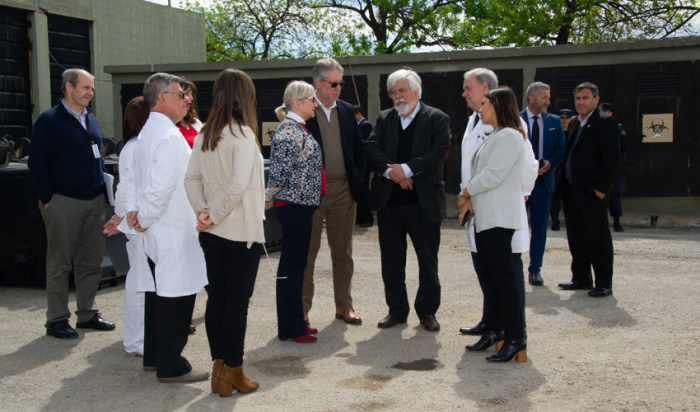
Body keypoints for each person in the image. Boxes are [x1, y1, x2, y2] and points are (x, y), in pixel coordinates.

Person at [184, 69, 264, 396]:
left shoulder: (205, 133)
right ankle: (233, 370)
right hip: (237, 232)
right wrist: (211, 214)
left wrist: (203, 213)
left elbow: (191, 180)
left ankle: (221, 369)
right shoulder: (243, 135)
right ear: (244, 97)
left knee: (217, 299)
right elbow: (237, 187)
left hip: (212, 232)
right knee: (235, 303)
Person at [125, 72, 209, 382]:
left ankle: (154, 357)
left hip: (158, 228)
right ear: (162, 98)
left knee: (160, 292)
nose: (187, 99)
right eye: (180, 94)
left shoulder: (148, 132)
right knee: (177, 295)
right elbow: (159, 188)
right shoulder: (170, 136)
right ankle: (171, 365)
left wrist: (136, 213)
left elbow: (138, 178)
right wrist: (143, 217)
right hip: (171, 228)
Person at [28, 68, 116, 339]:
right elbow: (37, 162)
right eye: (86, 88)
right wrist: (48, 200)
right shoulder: (49, 120)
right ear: (68, 87)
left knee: (91, 262)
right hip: (63, 202)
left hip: (93, 201)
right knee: (60, 262)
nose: (91, 93)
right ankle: (56, 319)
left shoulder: (90, 119)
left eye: (91, 89)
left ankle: (87, 314)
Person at [366, 69, 451, 332]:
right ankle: (397, 310)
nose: (397, 97)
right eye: (393, 92)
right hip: (390, 203)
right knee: (391, 261)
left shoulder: (437, 118)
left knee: (427, 261)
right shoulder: (384, 118)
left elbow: (440, 151)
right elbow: (371, 148)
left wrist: (408, 169)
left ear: (416, 91)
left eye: (402, 90)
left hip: (422, 203)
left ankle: (427, 311)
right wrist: (394, 173)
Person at [458, 69, 538, 341]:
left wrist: (520, 193)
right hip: (479, 209)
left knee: (508, 276)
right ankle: (491, 322)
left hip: (498, 209)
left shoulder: (511, 128)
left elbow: (528, 166)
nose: (464, 93)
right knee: (487, 273)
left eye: (468, 88)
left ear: (484, 88)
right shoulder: (474, 121)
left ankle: (513, 330)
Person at [302, 58, 366, 326]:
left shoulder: (347, 109)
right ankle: (302, 309)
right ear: (317, 83)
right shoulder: (302, 109)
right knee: (307, 253)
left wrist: (358, 182)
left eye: (341, 83)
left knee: (343, 253)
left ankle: (344, 306)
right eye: (334, 83)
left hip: (343, 192)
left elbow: (358, 148)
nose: (339, 87)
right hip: (312, 193)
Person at [265, 80, 324, 343]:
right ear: (297, 102)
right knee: (292, 264)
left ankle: (294, 322)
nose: (315, 103)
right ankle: (291, 327)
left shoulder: (297, 127)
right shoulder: (289, 130)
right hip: (294, 205)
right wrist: (268, 197)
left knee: (297, 264)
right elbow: (279, 171)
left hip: (302, 205)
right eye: (311, 98)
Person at [556, 83, 621, 297]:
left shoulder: (605, 122)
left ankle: (603, 282)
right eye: (578, 99)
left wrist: (601, 190)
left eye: (585, 98)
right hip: (572, 190)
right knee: (576, 236)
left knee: (598, 237)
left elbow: (611, 159)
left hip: (592, 191)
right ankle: (581, 278)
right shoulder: (575, 123)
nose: (581, 102)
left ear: (596, 99)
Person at [103, 96, 151, 357]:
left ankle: (139, 339)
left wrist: (118, 217)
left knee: (141, 281)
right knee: (139, 282)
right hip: (139, 223)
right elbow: (124, 189)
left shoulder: (131, 147)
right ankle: (136, 341)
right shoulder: (136, 148)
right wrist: (118, 217)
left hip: (137, 222)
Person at [520, 82, 566, 287]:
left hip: (543, 184)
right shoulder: (515, 119)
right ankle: (512, 268)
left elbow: (561, 149)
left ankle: (535, 269)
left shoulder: (554, 121)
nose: (548, 101)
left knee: (539, 228)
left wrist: (549, 163)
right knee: (516, 227)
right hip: (520, 185)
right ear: (532, 98)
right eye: (544, 98)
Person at [601, 103, 629, 232]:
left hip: (612, 166)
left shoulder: (617, 127)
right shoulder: (597, 125)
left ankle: (617, 222)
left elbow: (624, 146)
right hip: (599, 166)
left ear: (610, 113)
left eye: (605, 111)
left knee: (614, 194)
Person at [550, 108, 575, 231]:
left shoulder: (574, 132)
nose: (564, 121)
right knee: (555, 194)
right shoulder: (555, 132)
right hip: (557, 167)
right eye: (562, 118)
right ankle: (555, 220)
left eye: (567, 118)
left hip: (571, 169)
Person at [354, 105, 374, 228]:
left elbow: (360, 141)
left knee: (365, 192)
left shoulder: (366, 125)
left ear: (359, 114)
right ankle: (360, 217)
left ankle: (368, 217)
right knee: (359, 192)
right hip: (359, 164)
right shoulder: (358, 126)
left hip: (364, 165)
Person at [177, 77, 203, 149]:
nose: (191, 98)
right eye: (185, 93)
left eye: (191, 94)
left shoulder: (196, 122)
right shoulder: (170, 126)